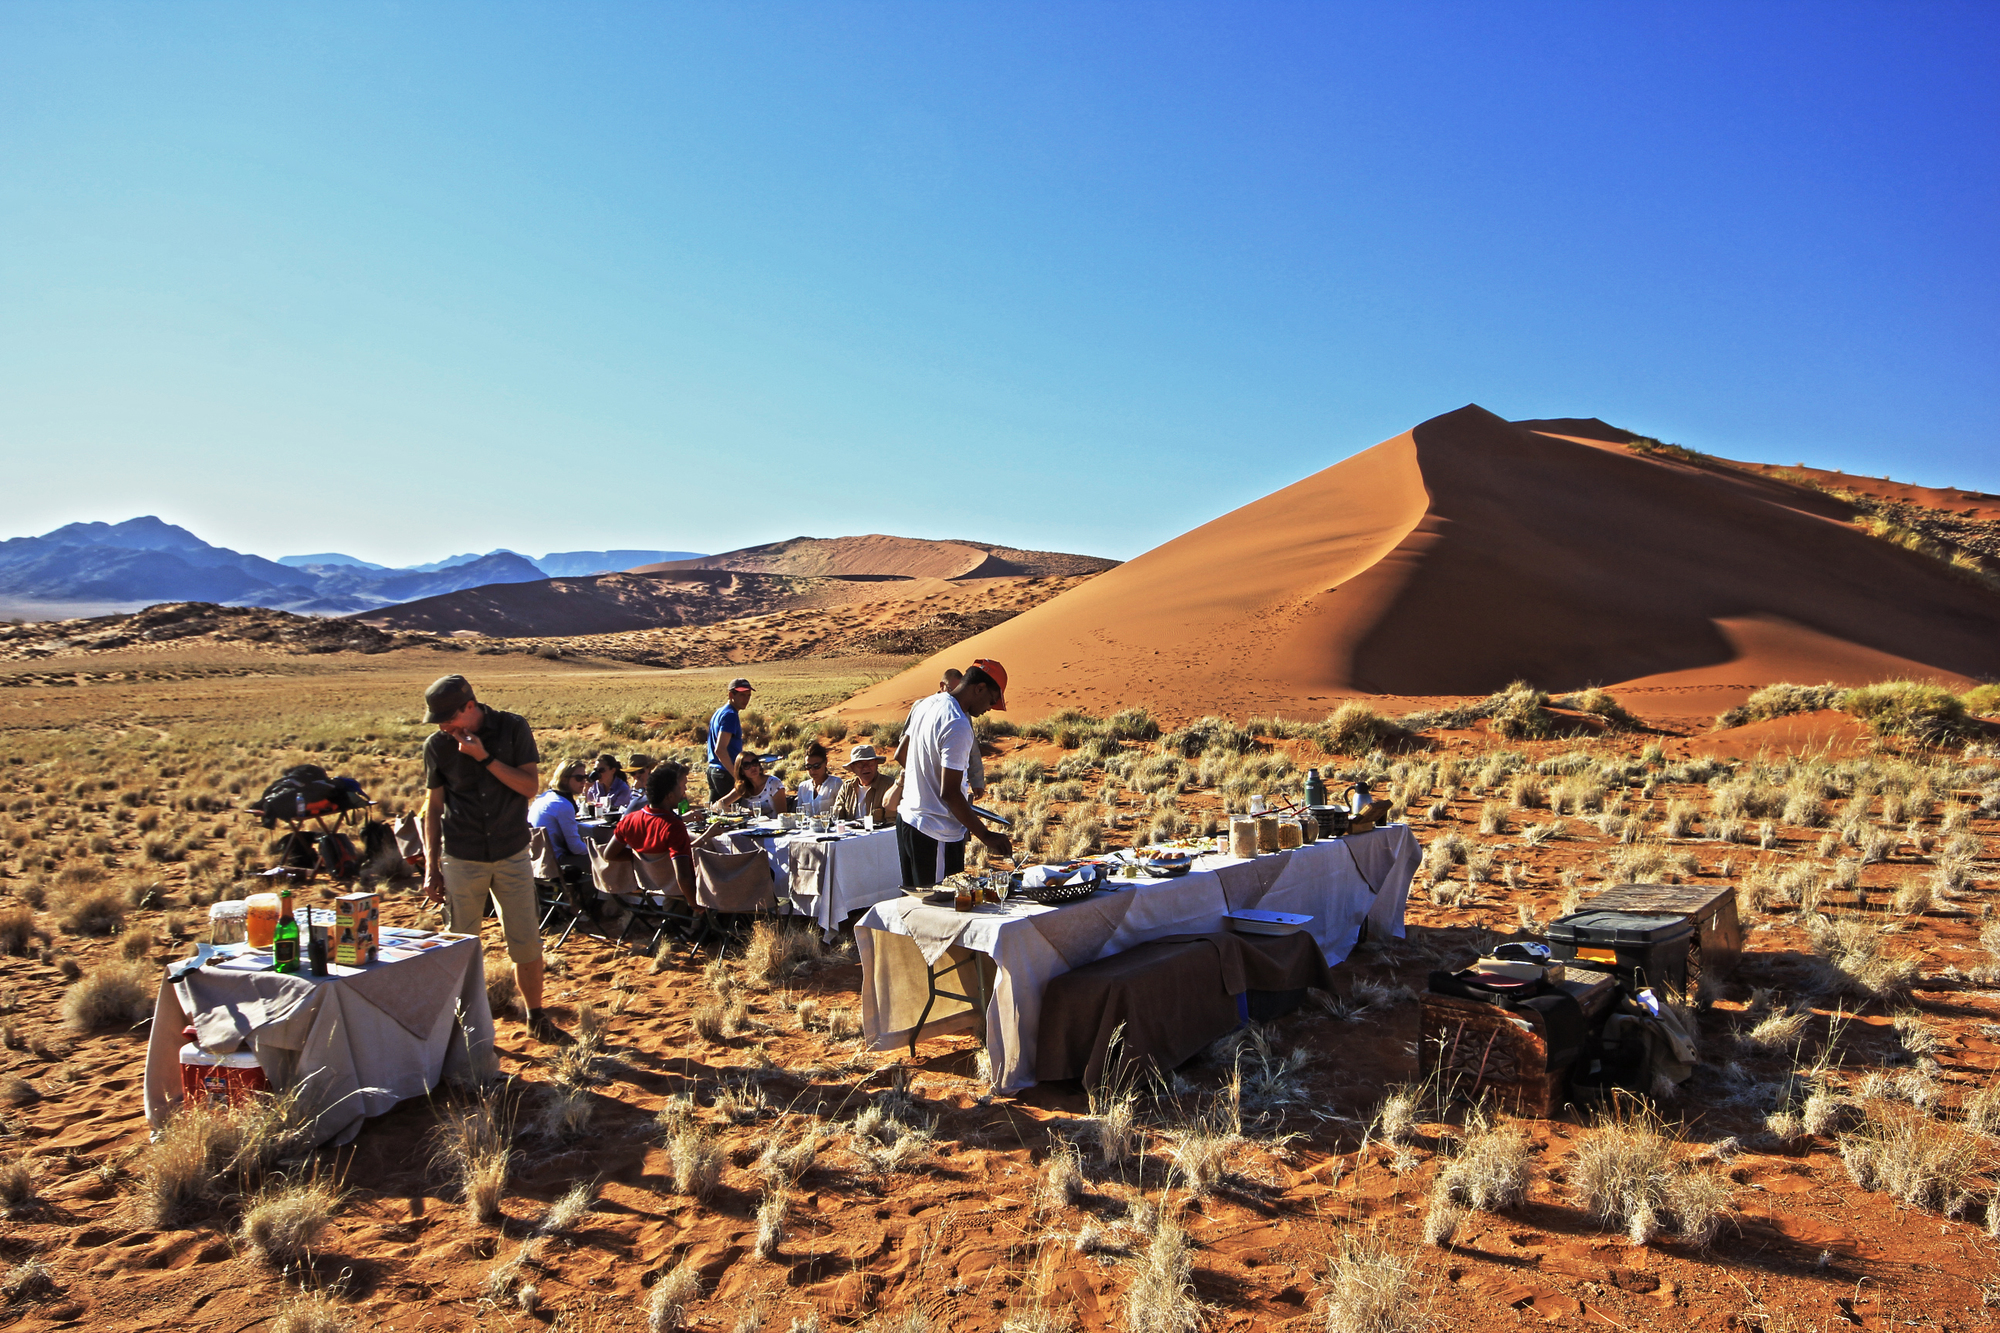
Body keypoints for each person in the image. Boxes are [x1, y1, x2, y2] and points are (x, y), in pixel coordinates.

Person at [419, 674, 557, 1038]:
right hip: (462, 856)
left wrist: (484, 757)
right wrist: (431, 866)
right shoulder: (437, 746)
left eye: (448, 718)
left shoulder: (512, 728)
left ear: (470, 707)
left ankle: (536, 1016)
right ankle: (462, 1029)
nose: (443, 727)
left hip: (511, 852)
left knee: (526, 941)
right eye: (438, 721)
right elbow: (433, 809)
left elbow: (529, 786)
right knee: (459, 945)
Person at [895, 659, 1012, 885]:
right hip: (935, 831)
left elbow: (902, 755)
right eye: (991, 700)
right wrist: (986, 835)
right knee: (940, 903)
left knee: (915, 902)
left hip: (908, 821)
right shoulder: (958, 723)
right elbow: (949, 793)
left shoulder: (927, 704)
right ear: (979, 688)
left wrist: (924, 780)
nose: (989, 708)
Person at [614, 761, 728, 916]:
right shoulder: (672, 826)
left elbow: (610, 854)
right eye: (680, 788)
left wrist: (641, 861)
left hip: (650, 883)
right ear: (669, 795)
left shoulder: (630, 820)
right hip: (675, 884)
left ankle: (678, 923)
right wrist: (695, 904)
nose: (684, 791)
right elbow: (683, 876)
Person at [528, 759, 592, 881]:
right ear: (564, 779)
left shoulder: (545, 797)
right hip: (556, 864)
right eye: (579, 778)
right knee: (607, 858)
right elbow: (576, 848)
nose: (584, 782)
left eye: (585, 777)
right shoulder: (563, 804)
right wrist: (598, 848)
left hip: (536, 863)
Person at [706, 678, 754, 802]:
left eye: (748, 695)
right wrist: (737, 776)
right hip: (725, 773)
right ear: (731, 695)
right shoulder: (730, 715)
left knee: (715, 810)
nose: (746, 699)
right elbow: (720, 749)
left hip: (713, 771)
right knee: (736, 811)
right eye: (742, 695)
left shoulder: (719, 712)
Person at [832, 743, 896, 824]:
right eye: (860, 764)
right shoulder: (847, 788)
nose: (866, 768)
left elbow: (892, 822)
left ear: (876, 764)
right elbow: (837, 817)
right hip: (851, 831)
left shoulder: (890, 786)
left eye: (870, 763)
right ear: (853, 768)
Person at [711, 753, 788, 816]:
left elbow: (783, 815)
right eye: (746, 766)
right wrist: (741, 813)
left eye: (755, 763)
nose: (753, 768)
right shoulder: (743, 786)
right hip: (751, 828)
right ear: (741, 771)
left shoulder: (773, 783)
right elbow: (716, 806)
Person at [793, 742, 843, 817]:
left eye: (816, 766)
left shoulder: (835, 783)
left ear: (825, 763)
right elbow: (800, 813)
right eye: (808, 766)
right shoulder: (803, 787)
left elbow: (841, 812)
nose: (812, 770)